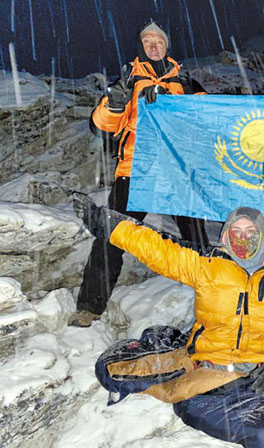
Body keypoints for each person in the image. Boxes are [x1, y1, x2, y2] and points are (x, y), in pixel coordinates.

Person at [72, 193, 264, 448]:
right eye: (236, 232)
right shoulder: (208, 264)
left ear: (262, 236)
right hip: (207, 373)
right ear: (226, 235)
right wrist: (109, 224)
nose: (243, 238)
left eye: (250, 232)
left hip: (261, 373)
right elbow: (158, 247)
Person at [69, 20, 209, 327]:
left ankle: (213, 296)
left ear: (167, 45)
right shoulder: (128, 81)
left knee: (196, 239)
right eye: (147, 41)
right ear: (140, 47)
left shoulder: (186, 82)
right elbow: (101, 127)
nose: (154, 45)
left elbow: (208, 121)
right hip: (135, 169)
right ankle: (90, 306)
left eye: (159, 40)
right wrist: (116, 103)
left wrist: (176, 106)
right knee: (113, 234)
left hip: (177, 170)